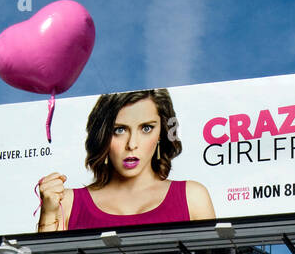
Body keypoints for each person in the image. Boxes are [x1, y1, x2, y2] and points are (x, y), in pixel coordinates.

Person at [37, 88, 215, 232]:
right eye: (119, 130)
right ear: (103, 135)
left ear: (161, 133)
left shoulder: (192, 197)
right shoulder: (67, 203)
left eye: (146, 128)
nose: (132, 144)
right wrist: (48, 213)